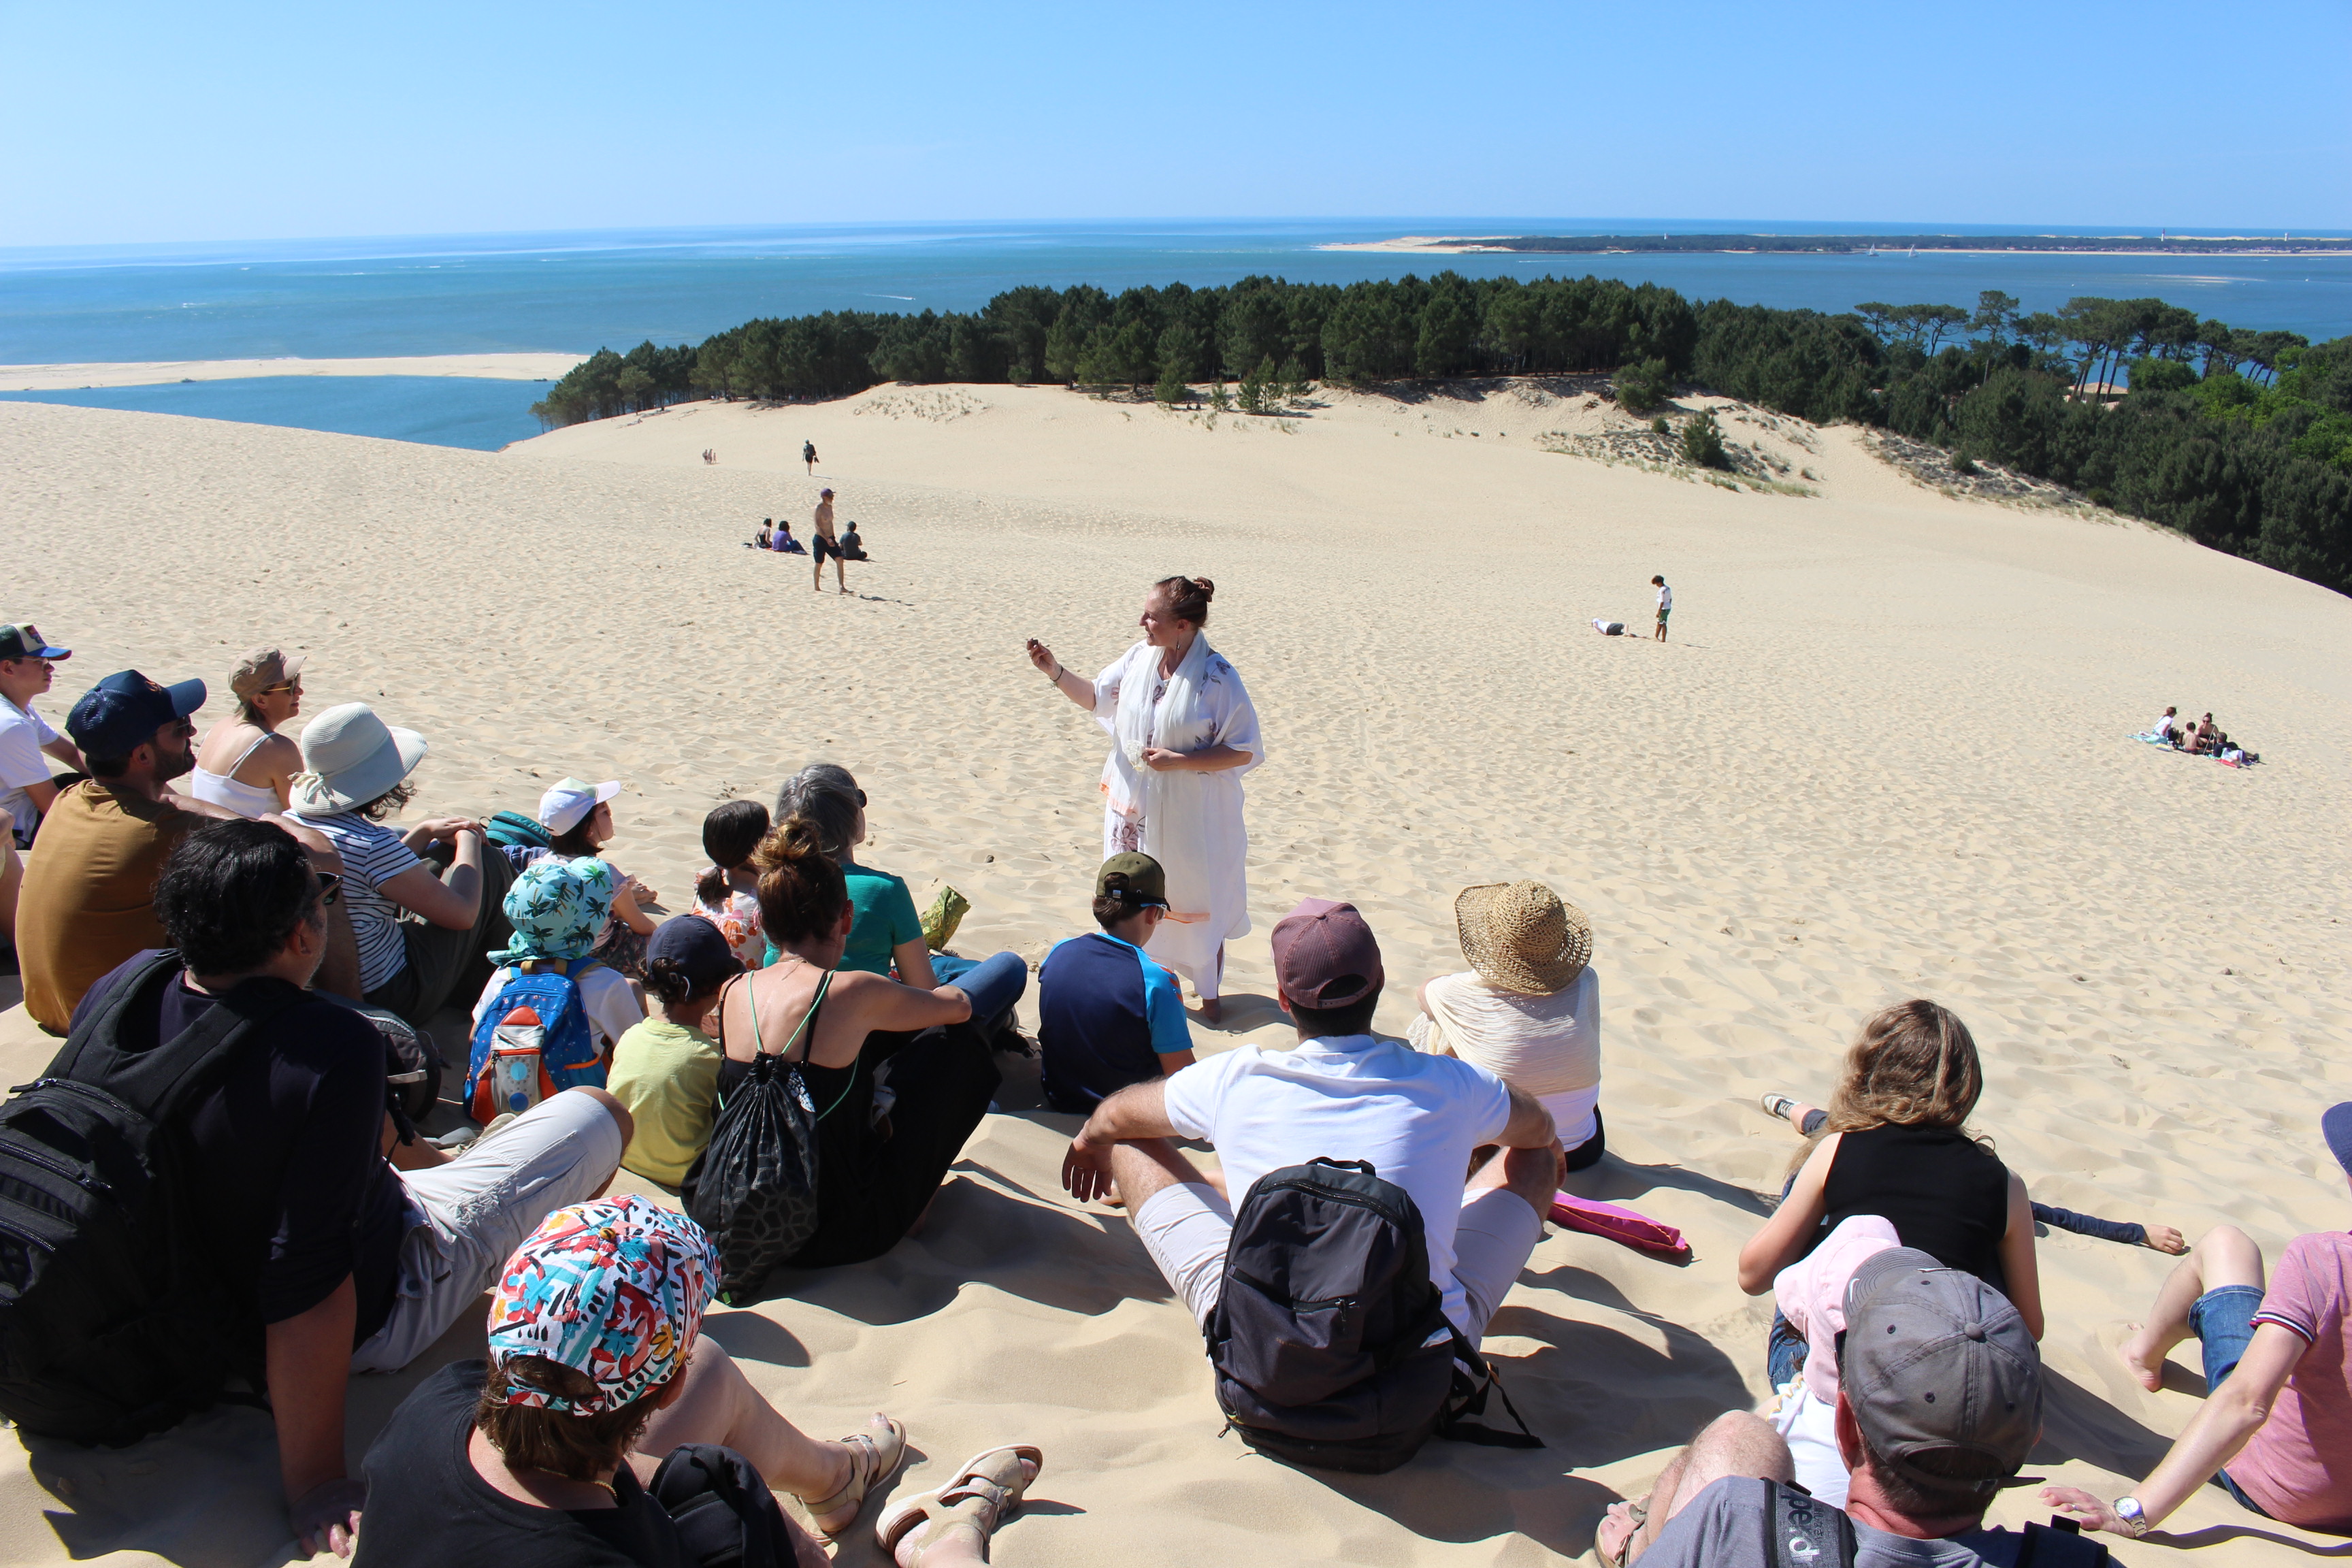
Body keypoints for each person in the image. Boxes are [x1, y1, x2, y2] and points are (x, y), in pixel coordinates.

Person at [67, 819, 632, 1558]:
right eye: (323, 897)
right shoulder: (328, 1047)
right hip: (376, 1303)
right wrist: (315, 1483)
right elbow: (308, 1272)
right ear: (300, 934)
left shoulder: (125, 984)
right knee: (597, 1116)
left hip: (163, 1293)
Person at [1060, 898, 1563, 1348]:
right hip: (1425, 1379)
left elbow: (1118, 1114)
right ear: (1379, 983)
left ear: (1284, 998)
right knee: (1538, 1156)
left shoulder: (1236, 1078)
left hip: (1258, 1369)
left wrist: (1090, 1139)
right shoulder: (1451, 1083)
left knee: (1128, 1140)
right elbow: (1539, 1128)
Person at [350, 1195, 932, 1565]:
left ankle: (834, 1476)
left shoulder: (439, 1399)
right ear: (665, 1392)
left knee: (704, 1364)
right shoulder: (624, 1552)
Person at [1595, 1249, 2046, 1568]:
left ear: (1846, 1426)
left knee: (1738, 1438)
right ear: (2030, 1442)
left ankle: (1641, 1551)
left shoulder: (1736, 1525)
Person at [2041, 1100, 2352, 1539]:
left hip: (2275, 1491)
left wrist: (2133, 1513)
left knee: (2227, 1245)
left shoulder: (2325, 1259)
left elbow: (2248, 1404)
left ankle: (2143, 1355)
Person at [713, 817, 1013, 1269]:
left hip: (735, 1212)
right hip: (834, 1227)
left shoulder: (732, 991)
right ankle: (913, 1205)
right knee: (960, 1044)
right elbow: (957, 1009)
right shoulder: (853, 992)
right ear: (846, 918)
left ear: (766, 925)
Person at [1737, 1001, 2044, 1394]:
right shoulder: (2005, 1184)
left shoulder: (1839, 1149)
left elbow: (1753, 1276)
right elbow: (2029, 1326)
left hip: (1841, 1381)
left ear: (1867, 1073)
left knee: (1808, 1207)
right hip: (1943, 1387)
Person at [1026, 575, 1263, 1023]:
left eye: (1152, 616)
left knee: (1193, 903)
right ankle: (1147, 988)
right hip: (1134, 815)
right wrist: (1054, 671)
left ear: (1183, 626)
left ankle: (1211, 1002)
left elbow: (1245, 748)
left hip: (1192, 821)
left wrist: (1180, 760)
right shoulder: (1139, 658)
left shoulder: (1217, 678)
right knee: (1132, 900)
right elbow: (1098, 698)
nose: (1142, 622)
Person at [16, 670, 299, 1032]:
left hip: (51, 1004)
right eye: (180, 727)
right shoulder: (159, 834)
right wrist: (266, 830)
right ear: (142, 754)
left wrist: (251, 823)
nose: (193, 733)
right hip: (105, 1022)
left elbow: (170, 800)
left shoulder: (72, 798)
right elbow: (178, 815)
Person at [286, 701, 515, 1027]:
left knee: (436, 858)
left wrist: (422, 833)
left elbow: (368, 874)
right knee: (489, 863)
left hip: (327, 978)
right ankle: (481, 993)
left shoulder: (294, 823)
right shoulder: (372, 843)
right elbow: (463, 914)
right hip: (391, 992)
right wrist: (469, 839)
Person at [1761, 1092, 2187, 1254]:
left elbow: (2052, 1215)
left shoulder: (1850, 1148)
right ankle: (1786, 1106)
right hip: (1852, 1134)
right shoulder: (1979, 1182)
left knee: (1824, 1127)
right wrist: (2135, 1232)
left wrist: (2135, 1231)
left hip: (1853, 1135)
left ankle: (1787, 1106)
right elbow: (2053, 1216)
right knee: (1821, 1124)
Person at [769, 763, 1027, 1023]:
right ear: (852, 817)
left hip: (787, 1017)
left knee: (945, 967)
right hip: (872, 1035)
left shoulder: (775, 886)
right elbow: (924, 992)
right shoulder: (884, 890)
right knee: (1008, 967)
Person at [1410, 880, 1606, 1171]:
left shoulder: (1458, 992)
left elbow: (1423, 993)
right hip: (1583, 1149)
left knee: (1438, 1024)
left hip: (1503, 1155)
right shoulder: (1587, 980)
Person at [1035, 853, 1195, 1113]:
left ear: (1096, 903)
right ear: (1153, 913)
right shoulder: (1156, 979)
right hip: (1126, 1113)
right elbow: (1183, 1076)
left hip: (1060, 1095)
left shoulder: (1059, 952)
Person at [470, 857, 647, 1071]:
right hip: (576, 1098)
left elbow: (474, 1038)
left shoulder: (504, 975)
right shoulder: (605, 984)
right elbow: (639, 1055)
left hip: (503, 1098)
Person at [608, 915, 742, 1188]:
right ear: (720, 986)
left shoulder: (631, 1037)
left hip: (626, 1161)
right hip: (688, 1176)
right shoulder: (710, 1058)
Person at [529, 777, 659, 978]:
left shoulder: (537, 866)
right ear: (588, 829)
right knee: (659, 941)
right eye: (605, 812)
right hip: (595, 954)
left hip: (546, 956)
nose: (611, 814)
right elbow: (643, 927)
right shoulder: (605, 875)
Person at [191, 645, 308, 816]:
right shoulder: (275, 748)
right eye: (290, 686)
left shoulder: (219, 728)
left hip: (206, 838)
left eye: (297, 680)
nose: (299, 691)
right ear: (261, 700)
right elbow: (302, 816)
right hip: (243, 841)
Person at [0, 622, 84, 847]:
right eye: (40, 662)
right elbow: (51, 807)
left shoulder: (18, 709)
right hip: (17, 830)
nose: (50, 669)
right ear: (8, 667)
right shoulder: (12, 725)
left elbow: (74, 755)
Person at [692, 798, 770, 969]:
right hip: (747, 988)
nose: (777, 836)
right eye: (769, 833)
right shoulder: (761, 905)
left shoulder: (705, 879)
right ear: (754, 849)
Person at [812, 488, 847, 594]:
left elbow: (830, 524)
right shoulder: (818, 508)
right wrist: (826, 539)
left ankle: (842, 586)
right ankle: (817, 587)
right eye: (830, 496)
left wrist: (831, 538)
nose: (832, 498)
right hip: (820, 539)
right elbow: (817, 526)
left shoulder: (830, 508)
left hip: (831, 538)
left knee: (840, 559)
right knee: (819, 563)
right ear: (824, 497)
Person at [1652, 574, 1672, 641]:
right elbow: (1670, 599)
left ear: (1659, 583)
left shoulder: (1662, 590)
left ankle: (1663, 639)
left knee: (1663, 623)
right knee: (1660, 623)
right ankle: (1656, 636)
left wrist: (1659, 611)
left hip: (1663, 608)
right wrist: (1669, 605)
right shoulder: (1668, 588)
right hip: (1668, 607)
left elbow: (1662, 601)